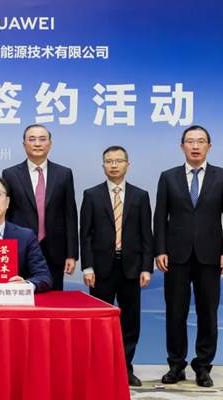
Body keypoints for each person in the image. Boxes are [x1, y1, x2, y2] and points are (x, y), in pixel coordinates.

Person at [154, 125, 223, 387]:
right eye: (190, 141)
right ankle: (176, 365)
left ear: (209, 146)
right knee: (175, 312)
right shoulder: (168, 177)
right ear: (181, 146)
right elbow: (160, 216)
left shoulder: (221, 176)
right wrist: (160, 249)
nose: (195, 146)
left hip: (210, 256)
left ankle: (203, 366)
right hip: (175, 256)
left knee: (208, 313)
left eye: (200, 141)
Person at [80, 145, 153, 387]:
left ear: (127, 165)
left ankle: (125, 368)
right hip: (100, 269)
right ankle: (99, 367)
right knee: (100, 320)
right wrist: (87, 267)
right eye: (109, 161)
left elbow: (146, 235)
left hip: (131, 267)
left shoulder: (140, 196)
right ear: (103, 166)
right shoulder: (91, 195)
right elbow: (85, 235)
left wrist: (146, 268)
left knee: (130, 321)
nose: (114, 165)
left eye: (118, 161)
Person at [2, 124, 78, 290]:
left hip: (55, 249)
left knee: (53, 297)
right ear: (24, 144)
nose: (37, 143)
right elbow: (5, 214)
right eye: (32, 139)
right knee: (20, 296)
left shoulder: (64, 174)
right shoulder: (10, 174)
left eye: (42, 139)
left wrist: (71, 254)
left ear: (50, 144)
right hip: (19, 248)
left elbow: (70, 215)